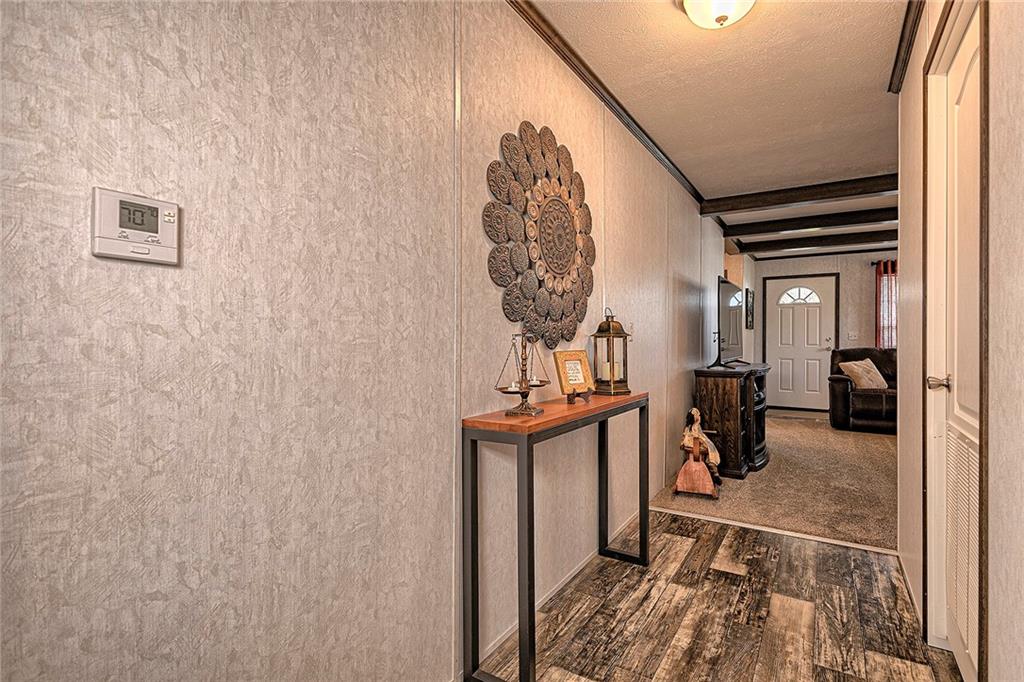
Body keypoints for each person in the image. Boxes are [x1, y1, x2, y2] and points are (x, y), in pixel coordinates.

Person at [680, 408, 722, 486]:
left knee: (711, 449)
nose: (700, 417)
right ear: (695, 417)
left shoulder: (696, 426)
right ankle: (714, 471)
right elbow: (693, 436)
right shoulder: (693, 427)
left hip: (697, 442)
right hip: (694, 444)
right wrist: (702, 440)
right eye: (698, 415)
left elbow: (699, 434)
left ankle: (713, 471)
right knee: (710, 450)